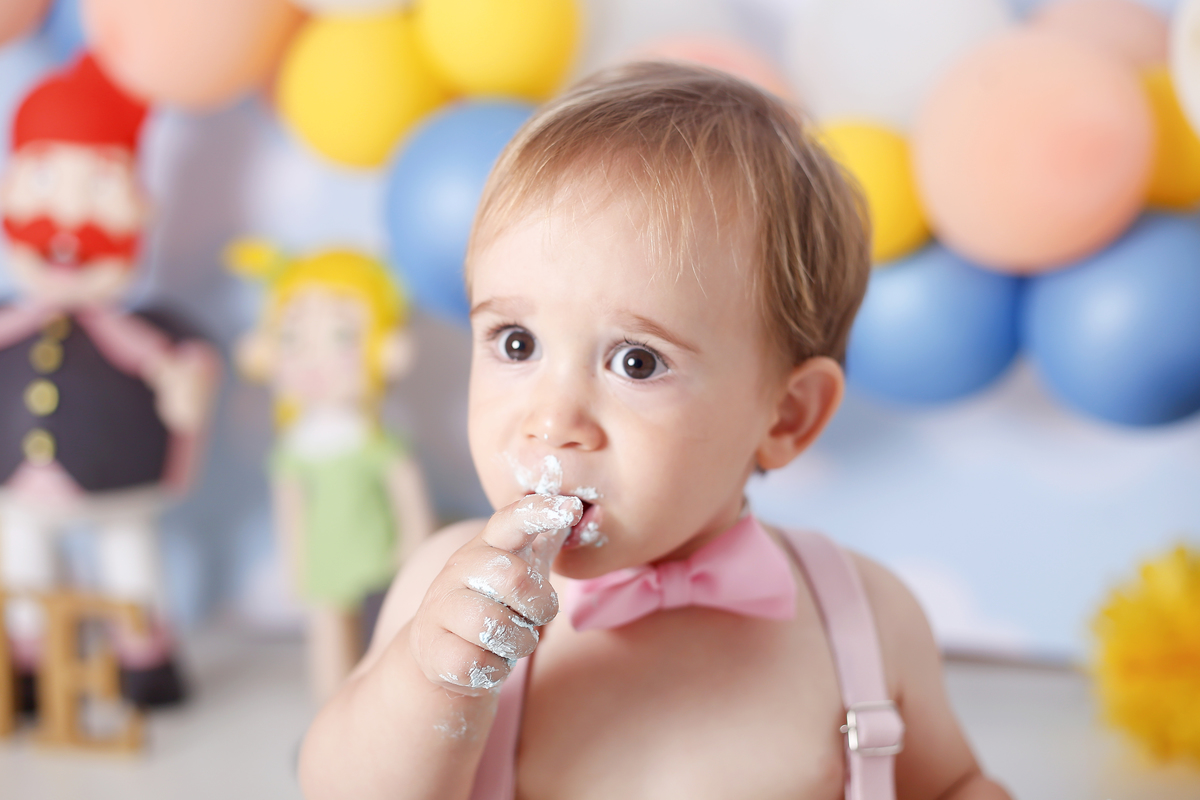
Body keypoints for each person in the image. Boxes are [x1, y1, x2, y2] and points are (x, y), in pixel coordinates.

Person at [299, 62, 1011, 800]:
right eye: (516, 343)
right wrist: (429, 679)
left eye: (637, 362)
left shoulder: (860, 618)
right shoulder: (444, 593)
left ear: (787, 415)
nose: (553, 420)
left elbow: (956, 784)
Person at [0, 54, 218, 708]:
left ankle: (144, 664)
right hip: (17, 492)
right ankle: (33, 669)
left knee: (131, 566)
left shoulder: (149, 331)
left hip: (119, 491)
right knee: (22, 565)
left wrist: (188, 389)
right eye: (45, 178)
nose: (68, 218)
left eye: (95, 186)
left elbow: (190, 366)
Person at [229, 243, 436, 703]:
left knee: (390, 638)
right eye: (292, 338)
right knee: (328, 638)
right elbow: (290, 511)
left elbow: (409, 502)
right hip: (325, 561)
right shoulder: (295, 450)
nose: (312, 360)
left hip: (384, 559)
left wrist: (416, 555)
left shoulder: (377, 443)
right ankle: (333, 717)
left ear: (387, 350)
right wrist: (296, 565)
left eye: (342, 338)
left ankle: (378, 713)